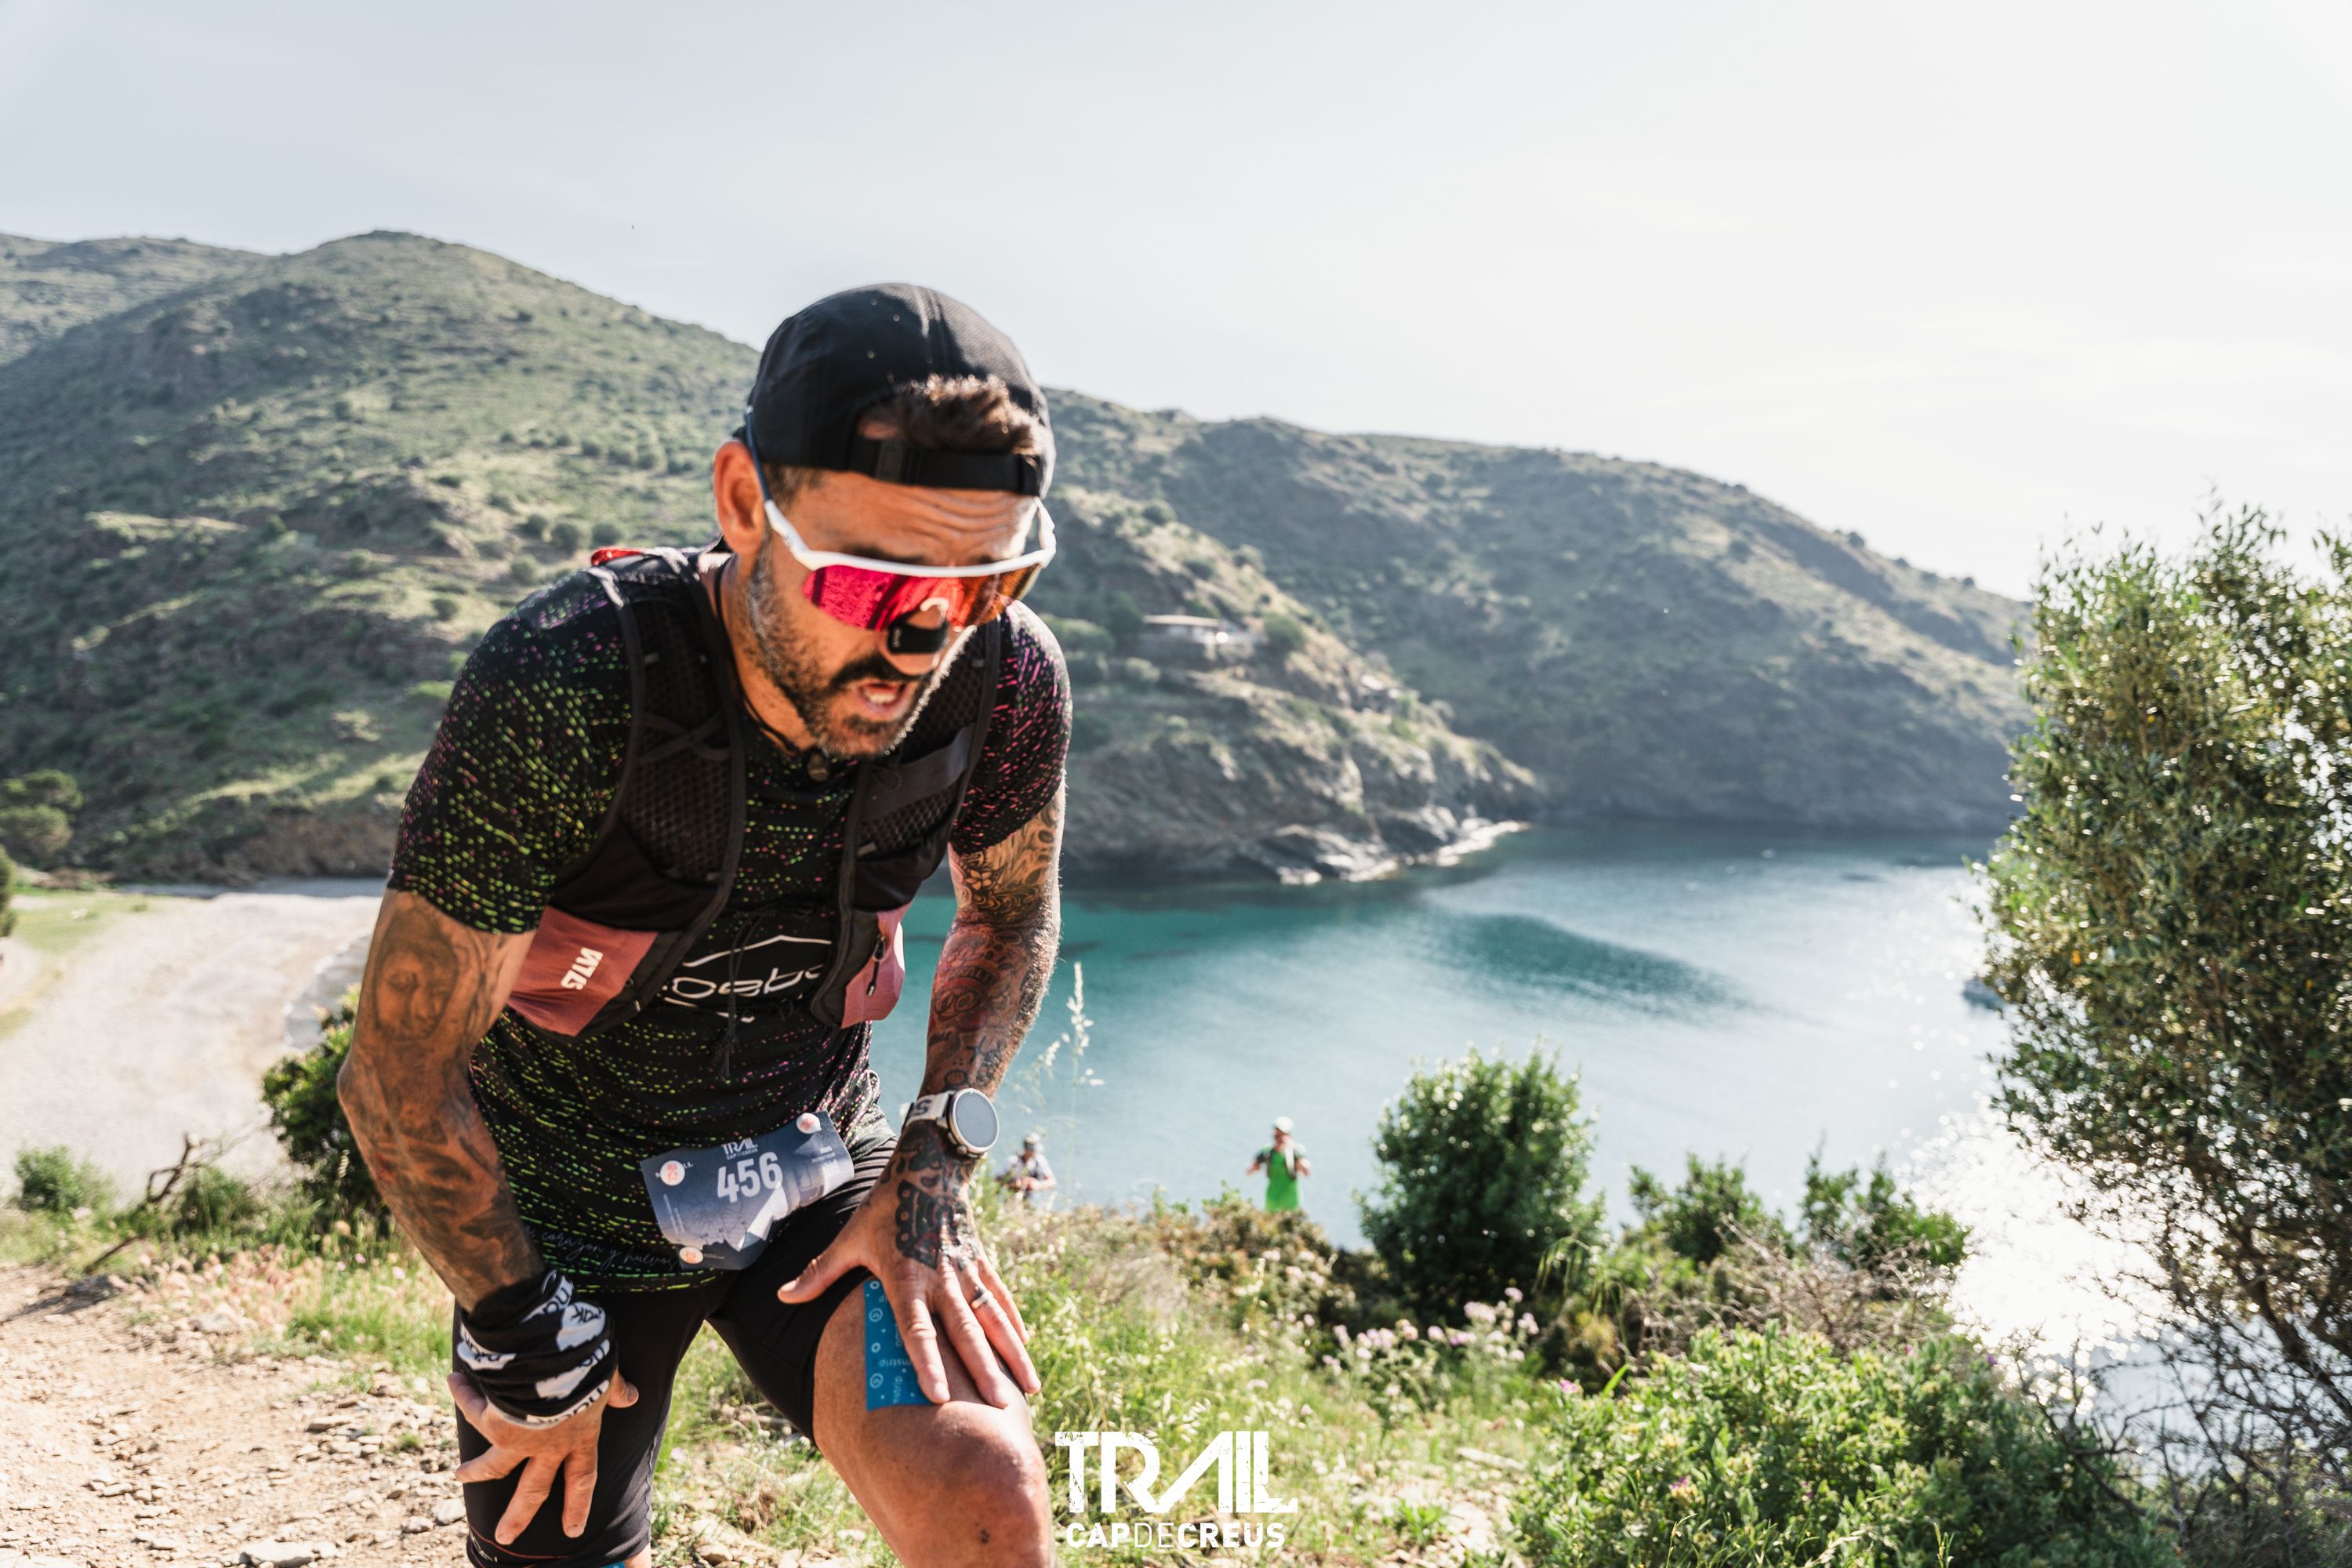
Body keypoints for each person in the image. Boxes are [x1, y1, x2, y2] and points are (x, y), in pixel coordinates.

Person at [337, 285, 1070, 1568]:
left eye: (984, 582)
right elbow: (400, 1070)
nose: (919, 642)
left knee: (988, 1495)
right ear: (742, 502)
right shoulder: (569, 684)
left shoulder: (1003, 678)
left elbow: (1008, 918)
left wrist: (932, 1167)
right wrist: (520, 1325)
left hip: (817, 1181)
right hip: (563, 1228)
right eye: (869, 578)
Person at [1247, 1116, 1311, 1212]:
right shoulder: (1268, 1152)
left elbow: (1306, 1172)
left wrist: (1291, 1150)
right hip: (1272, 1201)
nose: (1279, 1139)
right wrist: (1255, 1167)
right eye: (1277, 1135)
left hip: (1291, 1202)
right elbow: (1249, 1172)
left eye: (1282, 1135)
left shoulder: (1297, 1151)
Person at [996, 1132, 1055, 1207]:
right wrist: (1012, 1183)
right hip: (1012, 1199)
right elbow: (997, 1179)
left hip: (1033, 1202)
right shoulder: (1013, 1160)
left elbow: (1052, 1181)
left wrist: (1038, 1185)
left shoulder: (1039, 1160)